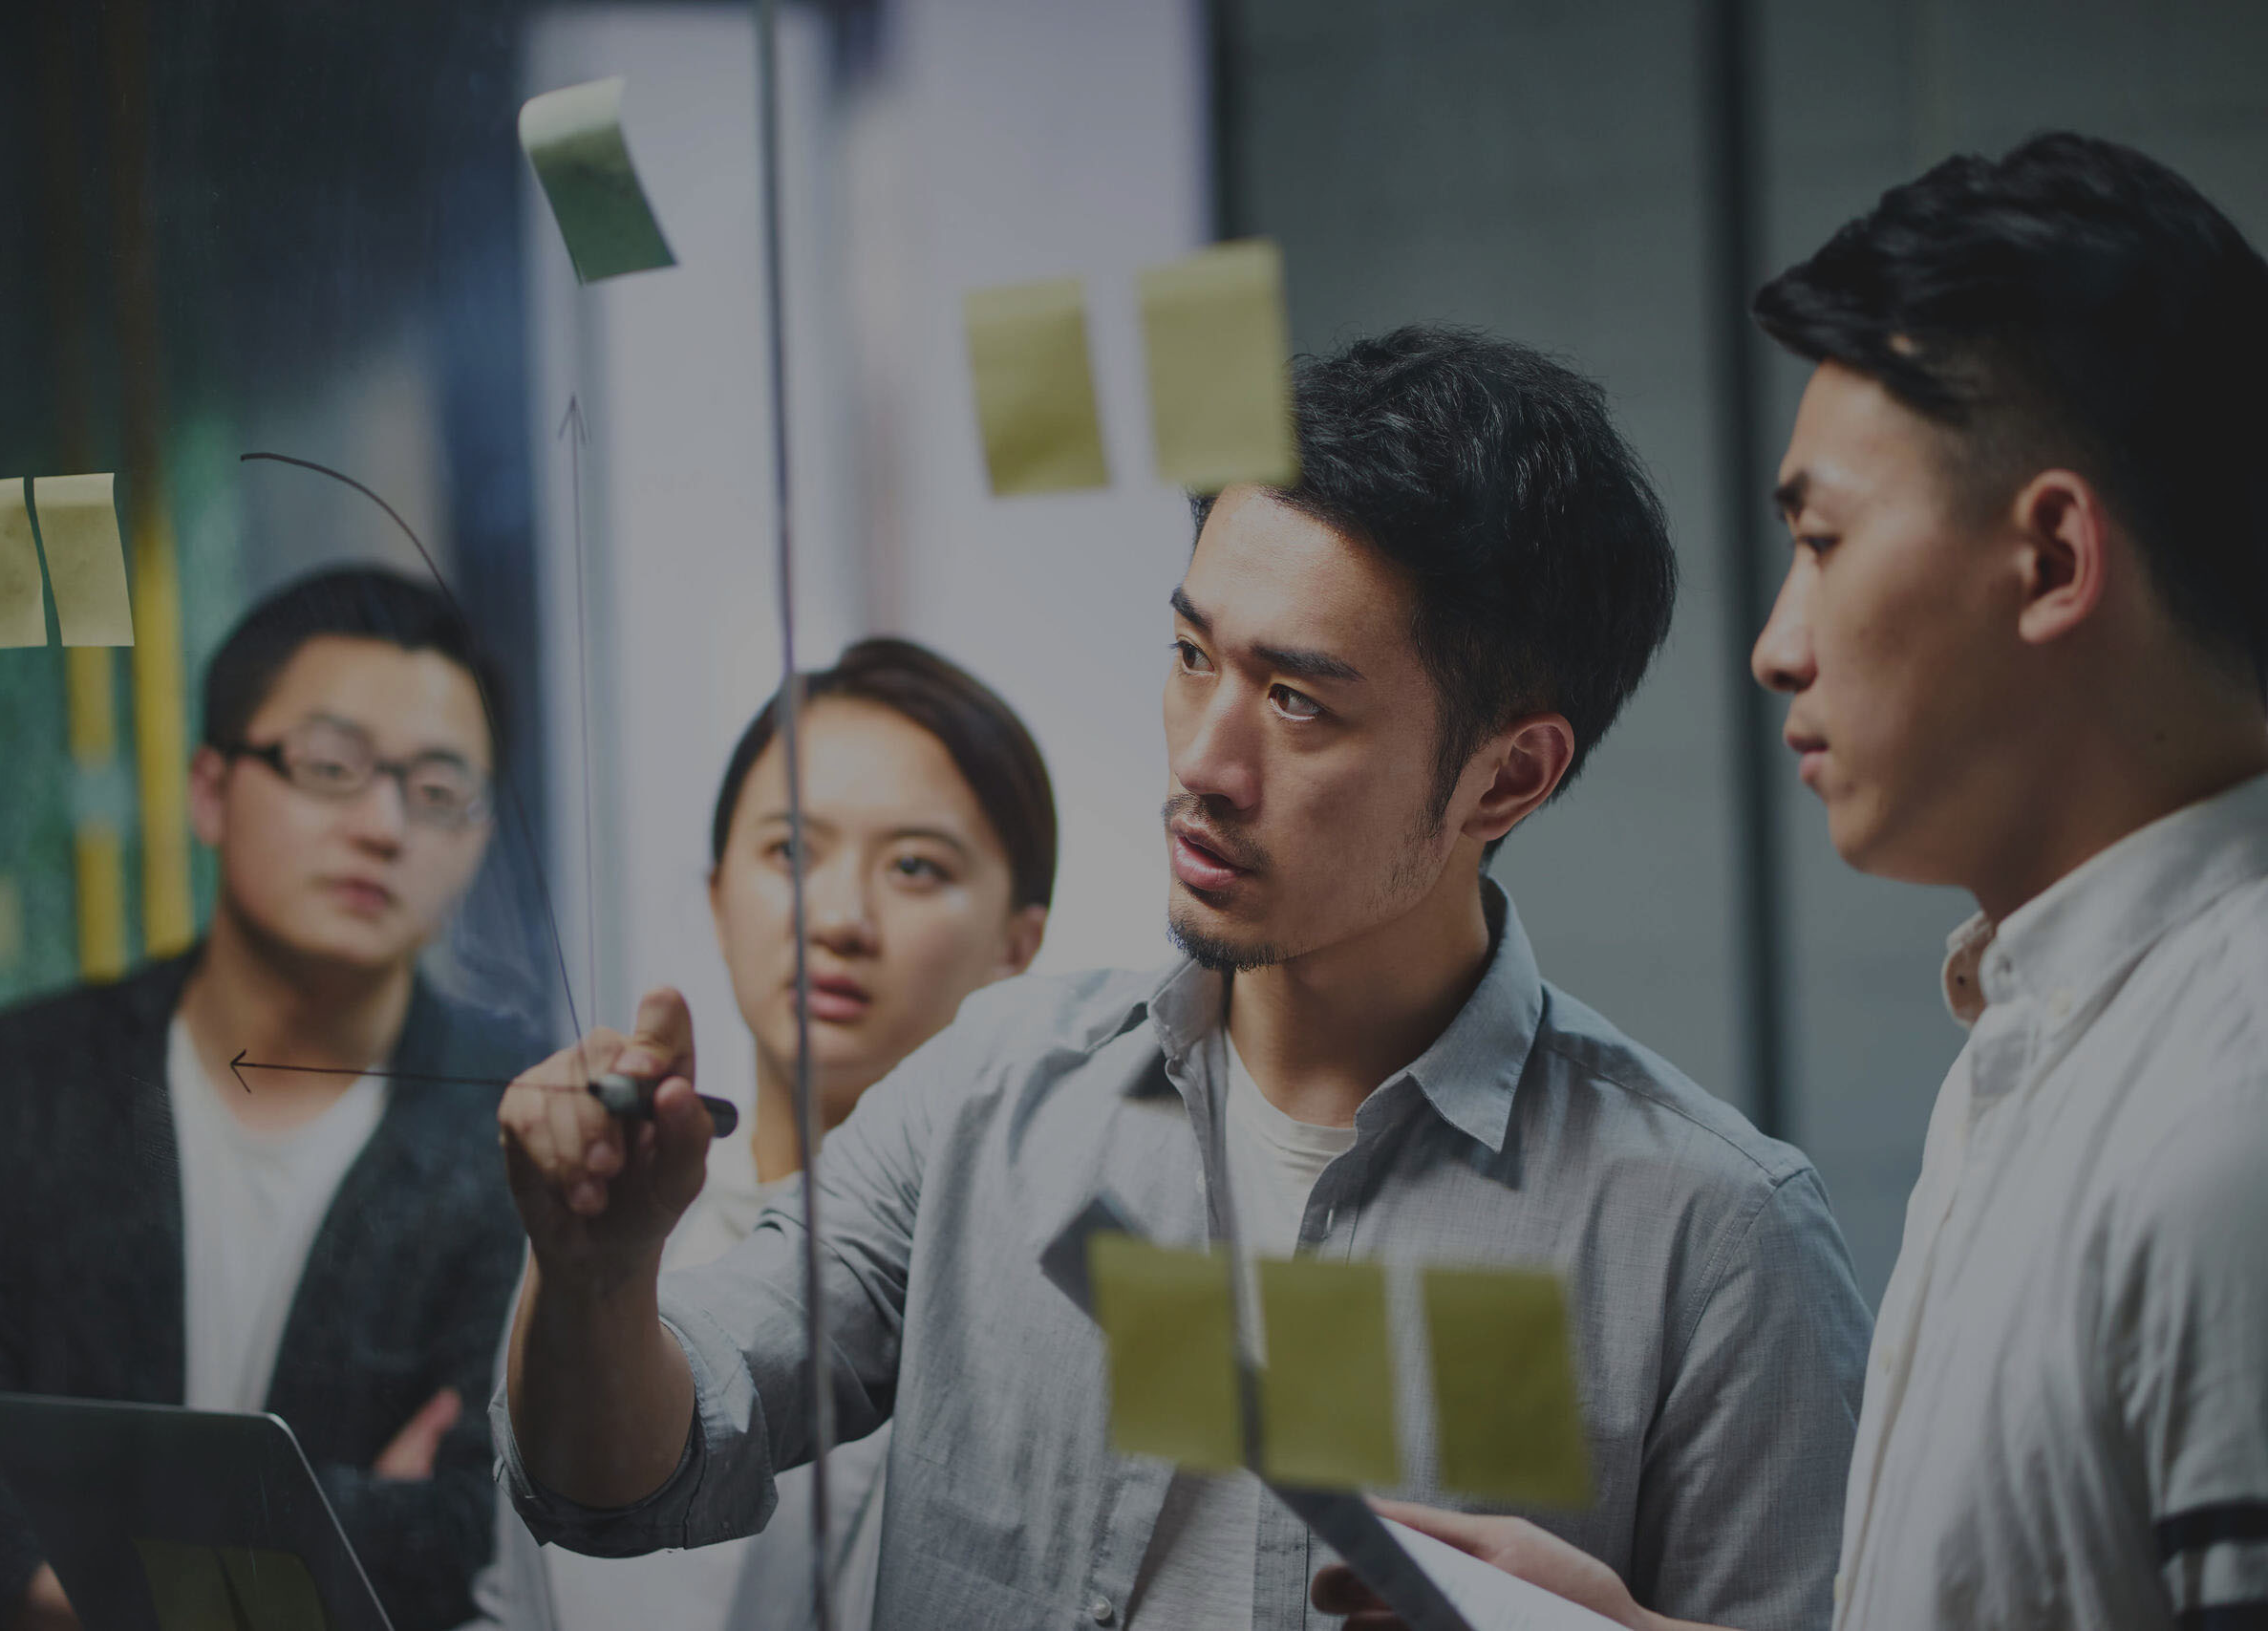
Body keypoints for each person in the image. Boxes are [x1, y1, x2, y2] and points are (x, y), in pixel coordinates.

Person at [495, 327, 1873, 1631]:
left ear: (1507, 773)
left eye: (1297, 701)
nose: (1204, 764)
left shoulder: (1711, 1241)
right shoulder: (997, 1090)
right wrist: (596, 1274)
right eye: (1192, 655)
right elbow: (621, 1480)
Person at [1313, 134, 2268, 1631]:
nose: (1778, 641)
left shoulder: (2231, 1119)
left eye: (1822, 540)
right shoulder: (2051, 1043)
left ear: (2054, 558)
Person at [0, 567, 540, 1631]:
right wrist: (304, 1544)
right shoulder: (3, 1088)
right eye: (331, 767)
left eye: (438, 793)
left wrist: (83, 1537)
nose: (385, 827)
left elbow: (473, 1531)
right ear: (210, 790)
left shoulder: (519, 1130)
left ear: (478, 834)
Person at [473, 636, 1055, 1631]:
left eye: (915, 867)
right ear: (716, 896)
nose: (837, 918)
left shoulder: (1022, 1289)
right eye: (791, 851)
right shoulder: (601, 1223)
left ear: (1017, 946)